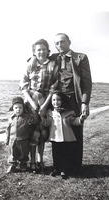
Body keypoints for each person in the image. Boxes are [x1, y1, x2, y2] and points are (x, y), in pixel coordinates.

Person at [50, 33, 92, 175]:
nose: (59, 45)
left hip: (74, 100)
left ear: (69, 42)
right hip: (57, 101)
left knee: (75, 133)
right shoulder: (53, 58)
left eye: (62, 42)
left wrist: (84, 103)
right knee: (57, 134)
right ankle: (59, 166)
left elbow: (86, 83)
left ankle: (74, 167)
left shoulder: (81, 58)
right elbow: (38, 59)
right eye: (56, 43)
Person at [20, 39, 59, 173]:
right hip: (30, 103)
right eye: (38, 50)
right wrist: (32, 103)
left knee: (41, 133)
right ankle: (31, 162)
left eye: (43, 49)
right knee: (31, 133)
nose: (41, 52)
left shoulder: (53, 65)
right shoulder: (30, 64)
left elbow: (53, 88)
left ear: (48, 51)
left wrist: (44, 106)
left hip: (45, 103)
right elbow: (24, 86)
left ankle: (40, 160)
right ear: (34, 52)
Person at [41, 91, 86, 179]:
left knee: (65, 154)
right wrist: (41, 118)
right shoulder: (50, 112)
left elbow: (74, 121)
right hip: (55, 138)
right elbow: (46, 123)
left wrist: (81, 119)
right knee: (56, 154)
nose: (55, 102)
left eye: (58, 100)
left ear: (62, 101)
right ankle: (56, 168)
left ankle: (64, 170)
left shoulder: (69, 112)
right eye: (53, 100)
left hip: (67, 138)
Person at [5, 96, 38, 173]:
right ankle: (12, 165)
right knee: (12, 153)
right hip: (13, 140)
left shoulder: (27, 117)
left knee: (24, 153)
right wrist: (7, 138)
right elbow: (8, 129)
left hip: (24, 139)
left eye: (20, 107)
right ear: (13, 109)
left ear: (23, 108)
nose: (18, 109)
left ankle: (23, 164)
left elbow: (34, 122)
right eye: (16, 108)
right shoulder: (11, 118)